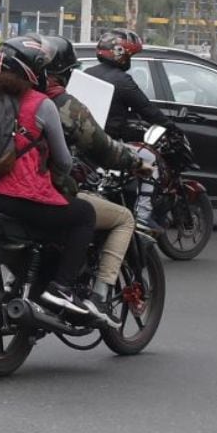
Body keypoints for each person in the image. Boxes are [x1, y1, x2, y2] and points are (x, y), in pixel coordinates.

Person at [0, 37, 100, 320]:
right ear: (32, 71)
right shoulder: (40, 104)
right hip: (19, 200)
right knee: (84, 215)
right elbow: (64, 161)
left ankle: (28, 279)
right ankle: (61, 288)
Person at [35, 34, 153, 319]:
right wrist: (135, 163)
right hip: (40, 194)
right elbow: (99, 146)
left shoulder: (6, 98)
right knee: (118, 217)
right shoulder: (61, 104)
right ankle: (97, 296)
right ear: (64, 72)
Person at [84, 29, 170, 136]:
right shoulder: (122, 80)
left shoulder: (86, 73)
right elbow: (146, 109)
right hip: (108, 142)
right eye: (129, 56)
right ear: (120, 53)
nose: (129, 60)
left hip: (84, 139)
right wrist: (172, 129)